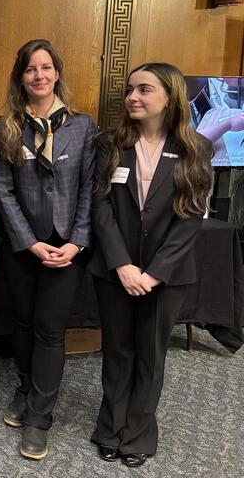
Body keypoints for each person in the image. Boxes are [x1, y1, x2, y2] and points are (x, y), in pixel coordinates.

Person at [89, 63, 212, 467]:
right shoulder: (110, 143)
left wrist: (154, 272)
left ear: (170, 97)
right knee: (117, 350)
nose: (133, 97)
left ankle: (139, 433)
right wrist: (122, 264)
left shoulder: (196, 148)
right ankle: (110, 428)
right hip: (115, 270)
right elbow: (100, 208)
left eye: (144, 89)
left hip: (166, 276)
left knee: (151, 353)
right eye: (129, 90)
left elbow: (191, 216)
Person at [0, 38, 96, 460]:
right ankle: (24, 387)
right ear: (21, 76)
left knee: (50, 330)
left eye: (47, 67)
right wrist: (31, 243)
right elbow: (2, 192)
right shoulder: (6, 128)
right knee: (22, 322)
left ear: (57, 73)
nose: (39, 75)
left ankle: (39, 418)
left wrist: (76, 242)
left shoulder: (82, 126)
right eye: (31, 69)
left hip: (68, 247)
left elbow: (90, 188)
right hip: (24, 246)